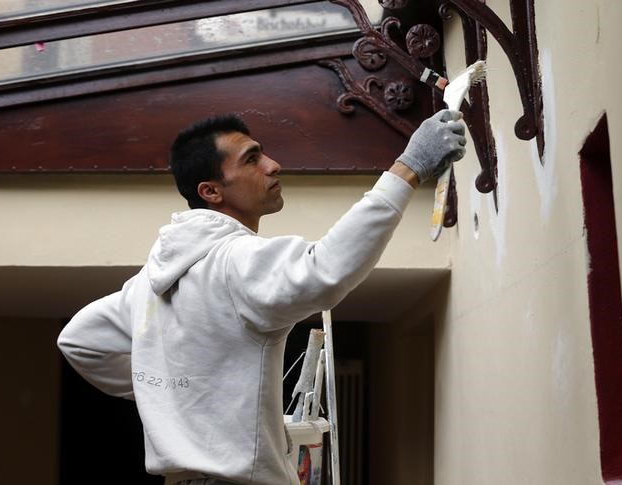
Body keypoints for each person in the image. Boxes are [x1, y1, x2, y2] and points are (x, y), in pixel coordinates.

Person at [57, 109, 467, 485]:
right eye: (251, 159)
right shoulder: (233, 260)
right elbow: (325, 270)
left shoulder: (150, 282)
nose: (273, 165)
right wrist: (408, 168)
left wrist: (184, 390)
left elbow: (79, 339)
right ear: (211, 191)